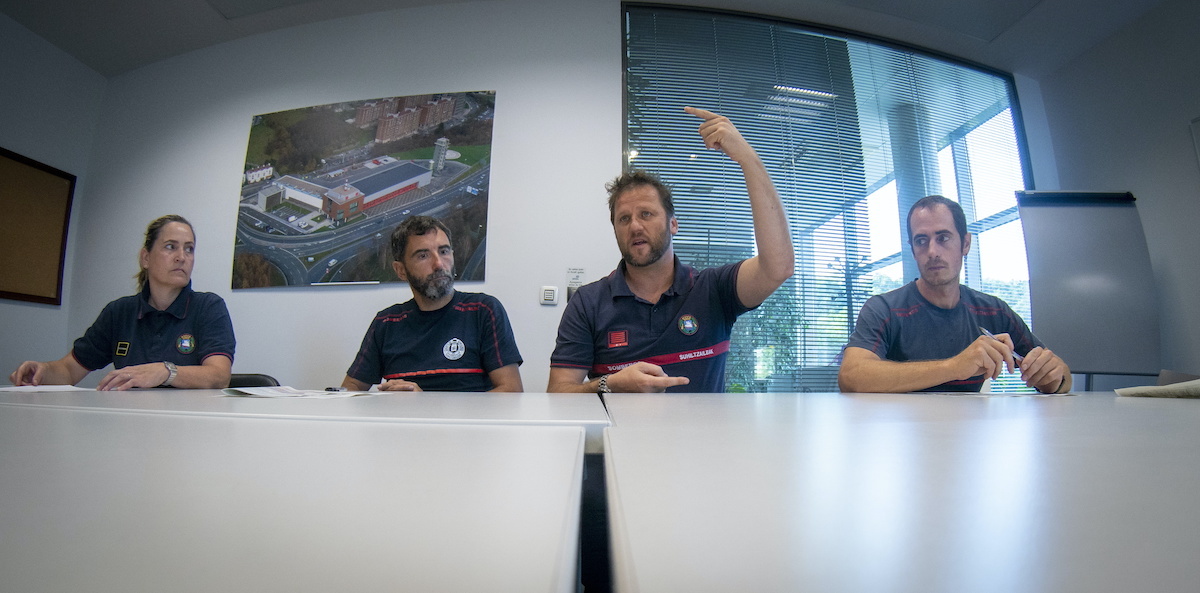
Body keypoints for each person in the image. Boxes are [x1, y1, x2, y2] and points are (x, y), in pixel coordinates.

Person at [548, 107, 794, 394]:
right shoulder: (588, 302)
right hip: (620, 427)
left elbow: (779, 267)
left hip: (705, 426)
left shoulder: (713, 290)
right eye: (624, 219)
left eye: (646, 214)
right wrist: (610, 384)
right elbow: (558, 393)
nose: (635, 226)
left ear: (673, 224)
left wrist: (747, 158)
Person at [838, 195, 1071, 393]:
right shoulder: (885, 309)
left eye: (943, 238)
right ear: (913, 251)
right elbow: (851, 376)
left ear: (965, 244)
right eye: (921, 241)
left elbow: (1061, 378)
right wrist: (955, 367)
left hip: (971, 429)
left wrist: (1054, 378)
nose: (932, 251)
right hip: (901, 430)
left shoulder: (993, 311)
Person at [9, 215, 236, 390]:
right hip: (130, 422)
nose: (182, 257)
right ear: (145, 258)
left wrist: (166, 372)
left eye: (189, 249)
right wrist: (43, 371)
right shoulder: (119, 312)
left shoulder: (208, 307)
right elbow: (69, 370)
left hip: (190, 424)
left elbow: (219, 376)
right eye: (170, 246)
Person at [341, 215, 523, 392]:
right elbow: (351, 387)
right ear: (401, 270)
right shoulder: (387, 322)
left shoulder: (483, 310)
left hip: (464, 416)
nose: (438, 264)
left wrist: (424, 403)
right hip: (402, 414)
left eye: (444, 252)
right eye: (423, 256)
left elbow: (511, 390)